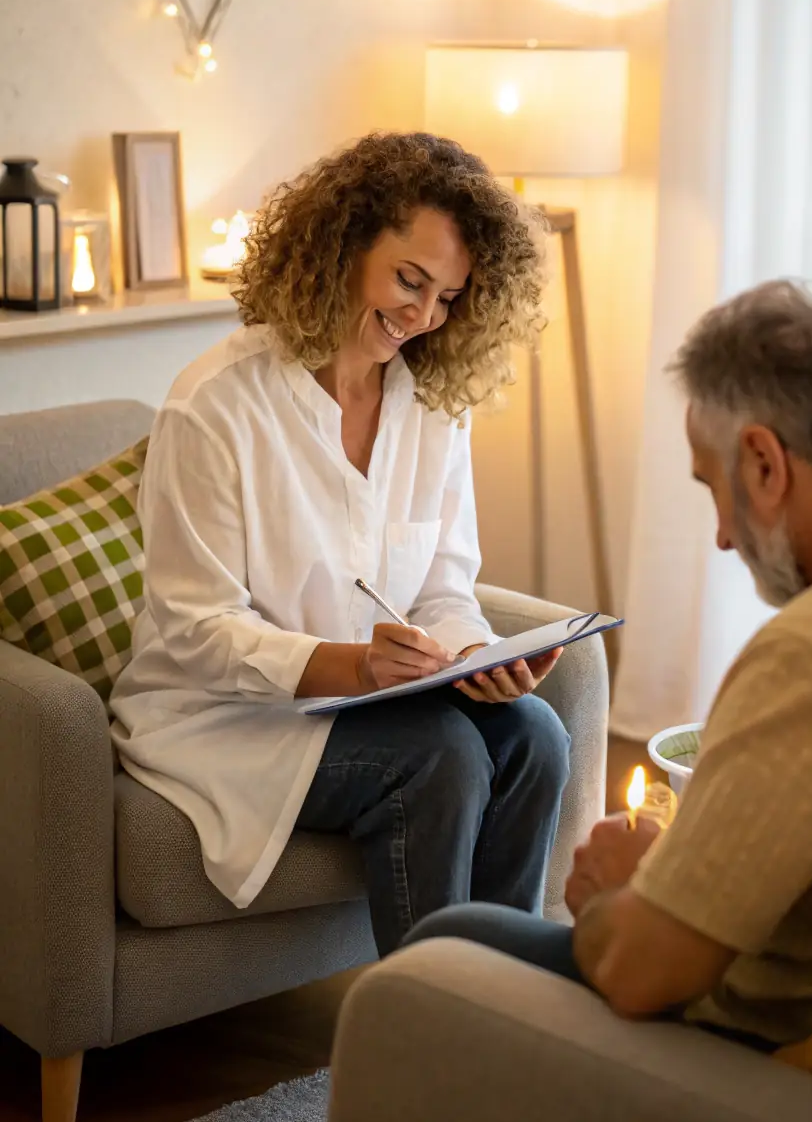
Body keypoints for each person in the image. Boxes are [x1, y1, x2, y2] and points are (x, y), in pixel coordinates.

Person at [405, 279, 812, 1048]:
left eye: (713, 486)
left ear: (764, 462)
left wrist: (618, 894)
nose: (724, 537)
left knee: (445, 945)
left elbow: (642, 971)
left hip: (766, 1050)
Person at [110, 132, 571, 957]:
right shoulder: (215, 406)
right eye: (409, 279)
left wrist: (481, 655)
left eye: (449, 297)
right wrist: (352, 665)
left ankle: (507, 1016)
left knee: (536, 735)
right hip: (226, 715)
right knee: (442, 755)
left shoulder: (433, 404)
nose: (423, 316)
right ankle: (423, 1042)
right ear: (344, 243)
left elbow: (444, 589)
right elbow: (198, 630)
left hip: (372, 703)